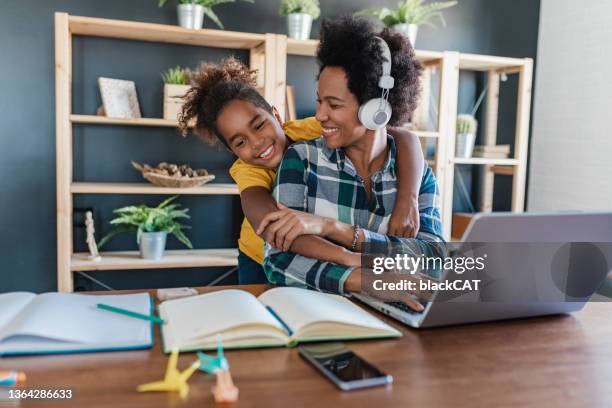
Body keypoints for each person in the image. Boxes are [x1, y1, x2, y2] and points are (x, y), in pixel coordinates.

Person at [178, 57, 427, 284]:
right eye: (240, 142)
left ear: (276, 115)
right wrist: (347, 257)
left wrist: (408, 199)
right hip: (264, 260)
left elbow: (404, 138)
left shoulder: (309, 129)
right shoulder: (248, 171)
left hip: (325, 250)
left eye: (259, 125)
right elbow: (274, 229)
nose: (256, 143)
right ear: (234, 151)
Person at [261, 16, 445, 308]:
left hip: (398, 319)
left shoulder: (417, 175)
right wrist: (363, 278)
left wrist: (334, 228)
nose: (320, 114)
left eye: (334, 105)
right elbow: (278, 259)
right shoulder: (302, 161)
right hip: (321, 314)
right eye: (319, 101)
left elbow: (432, 259)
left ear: (377, 110)